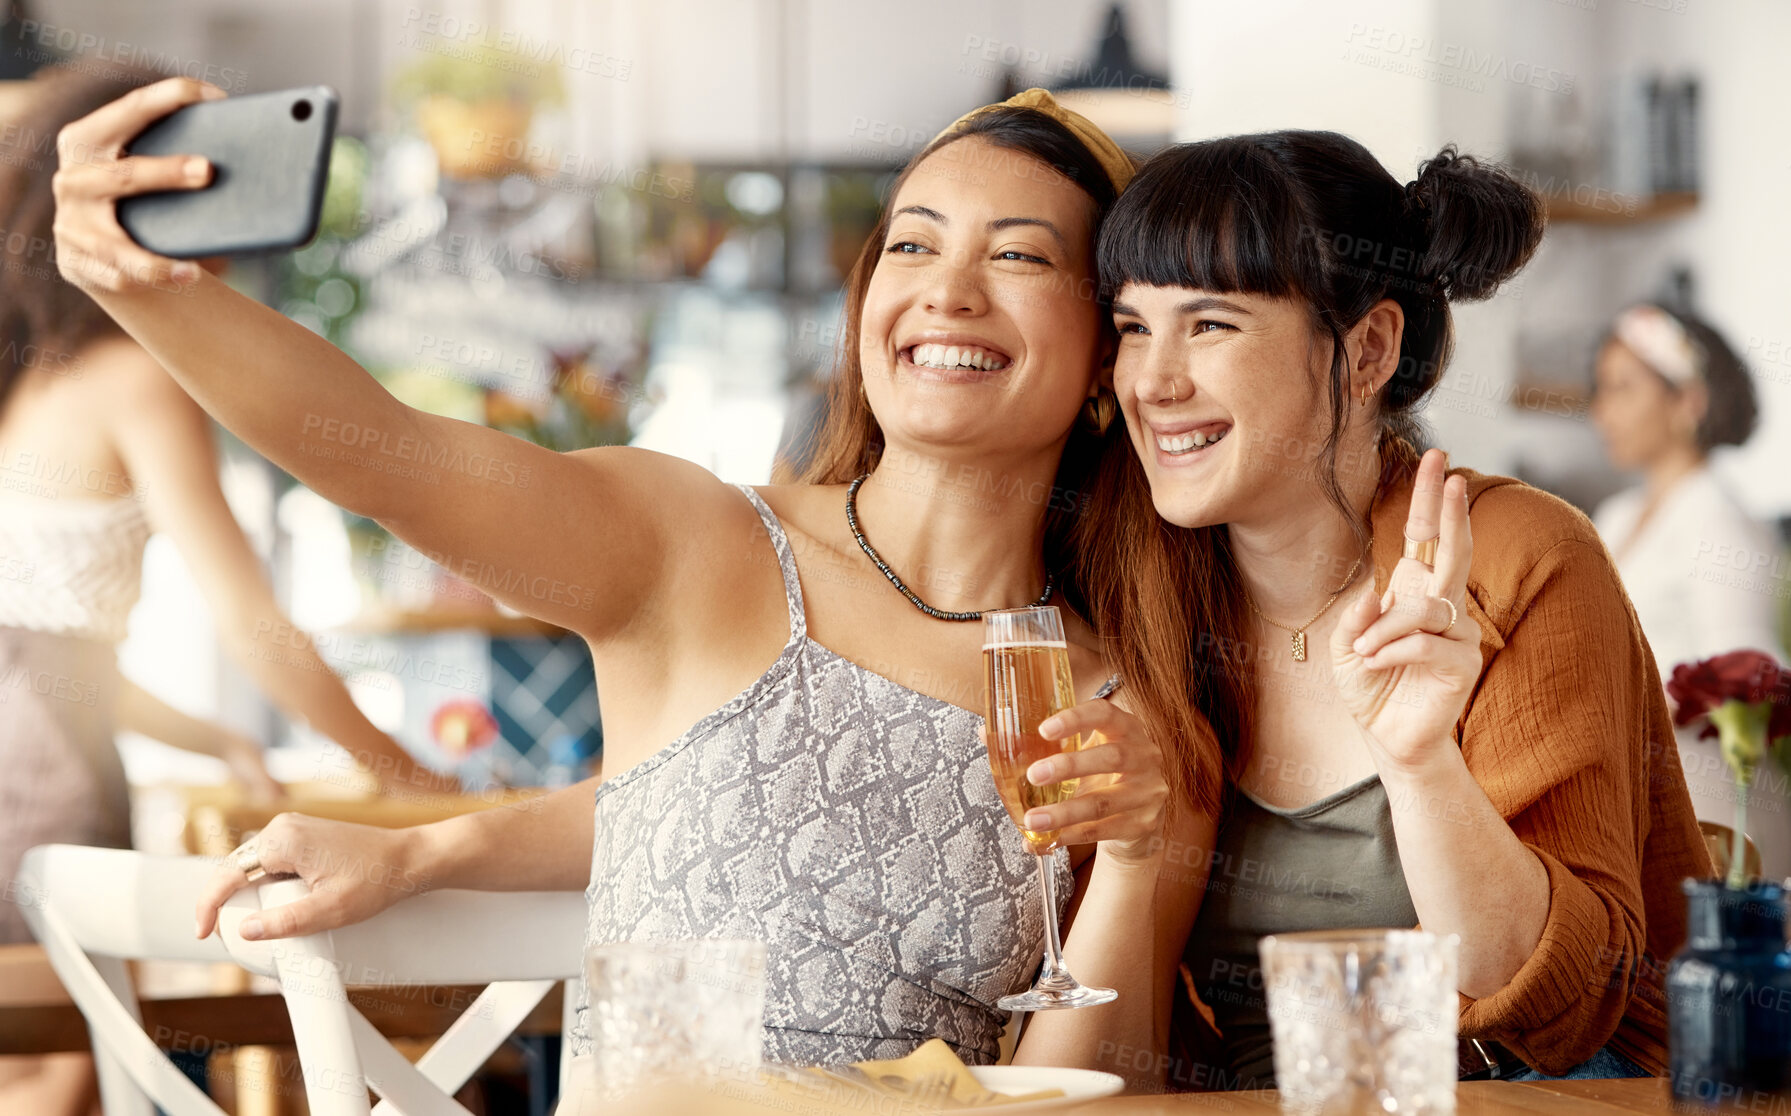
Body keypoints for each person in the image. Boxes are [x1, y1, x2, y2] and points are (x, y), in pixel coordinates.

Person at [57, 80, 1205, 1083]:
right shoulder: (695, 545)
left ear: (1108, 364)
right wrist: (146, 285)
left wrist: (1142, 854)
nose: (949, 290)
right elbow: (376, 451)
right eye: (911, 244)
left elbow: (1085, 1097)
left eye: (1017, 254)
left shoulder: (1117, 719)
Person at [1072, 132, 1712, 1087]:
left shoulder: (1518, 559)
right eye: (1132, 327)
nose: (1153, 382)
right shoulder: (1135, 588)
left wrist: (1419, 769)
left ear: (1367, 347)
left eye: (1209, 325)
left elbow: (1570, 1012)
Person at [0, 65, 450, 1116]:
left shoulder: (29, 382)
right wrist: (402, 774)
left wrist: (208, 737)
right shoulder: (137, 375)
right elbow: (248, 621)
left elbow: (42, 641)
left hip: (32, 748)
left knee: (20, 1049)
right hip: (46, 774)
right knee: (58, 1062)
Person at [1590, 302, 1789, 881]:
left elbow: (1751, 673)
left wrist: (1631, 700)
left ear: (1687, 401)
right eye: (1600, 389)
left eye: (1623, 389)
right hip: (1636, 803)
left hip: (1715, 817)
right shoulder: (1617, 515)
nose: (1601, 411)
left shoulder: (1718, 521)